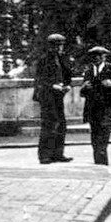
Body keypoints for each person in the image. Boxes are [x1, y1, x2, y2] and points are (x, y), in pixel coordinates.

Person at [79, 46, 111, 165]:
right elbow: (83, 93)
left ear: (104, 57)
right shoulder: (89, 71)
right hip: (93, 108)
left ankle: (102, 162)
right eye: (94, 57)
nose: (96, 59)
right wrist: (84, 88)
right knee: (95, 136)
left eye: (99, 56)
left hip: (108, 107)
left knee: (103, 133)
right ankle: (99, 162)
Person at [34, 33, 73, 164]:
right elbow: (40, 80)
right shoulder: (44, 60)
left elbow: (67, 74)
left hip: (58, 95)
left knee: (61, 124)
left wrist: (67, 85)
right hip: (47, 96)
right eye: (59, 45)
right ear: (53, 46)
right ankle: (45, 155)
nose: (61, 48)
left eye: (61, 45)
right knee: (49, 124)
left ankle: (58, 153)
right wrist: (52, 85)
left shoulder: (61, 59)